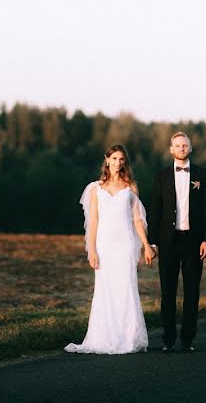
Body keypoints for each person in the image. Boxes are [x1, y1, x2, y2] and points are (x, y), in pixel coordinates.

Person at [65, 144, 155, 354]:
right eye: (114, 158)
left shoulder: (130, 186)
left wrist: (146, 245)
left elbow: (137, 219)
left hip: (125, 244)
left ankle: (128, 337)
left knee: (125, 287)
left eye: (121, 159)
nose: (118, 163)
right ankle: (104, 337)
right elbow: (94, 221)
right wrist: (93, 250)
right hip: (105, 245)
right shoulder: (95, 188)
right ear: (107, 160)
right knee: (105, 289)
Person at [147, 131, 206, 352]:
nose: (181, 148)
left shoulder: (203, 175)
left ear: (190, 148)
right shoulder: (162, 175)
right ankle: (168, 339)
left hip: (194, 242)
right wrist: (153, 242)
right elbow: (155, 210)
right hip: (168, 242)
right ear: (171, 149)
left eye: (185, 145)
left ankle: (188, 339)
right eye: (177, 145)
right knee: (168, 292)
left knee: (192, 291)